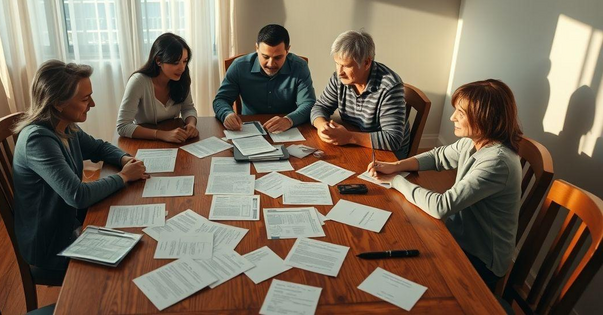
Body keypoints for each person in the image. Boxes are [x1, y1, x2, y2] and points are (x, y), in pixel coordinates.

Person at [368, 79, 523, 291]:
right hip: (457, 235)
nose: (452, 117)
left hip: (480, 259)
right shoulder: (475, 141)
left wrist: (395, 180)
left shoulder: (497, 162)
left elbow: (441, 207)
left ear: (484, 117)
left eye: (460, 112)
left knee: (405, 267)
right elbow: (438, 156)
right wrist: (395, 165)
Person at [13, 60, 149, 279]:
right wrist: (124, 177)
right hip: (51, 246)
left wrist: (124, 159)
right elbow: (77, 195)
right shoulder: (37, 141)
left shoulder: (64, 125)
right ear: (58, 102)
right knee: (136, 264)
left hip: (70, 224)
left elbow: (99, 147)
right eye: (85, 99)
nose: (92, 104)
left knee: (141, 237)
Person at [311, 30, 410, 159]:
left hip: (387, 156)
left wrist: (349, 137)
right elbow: (320, 107)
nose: (339, 72)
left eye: (346, 66)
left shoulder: (389, 87)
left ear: (367, 62)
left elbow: (393, 140)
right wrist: (321, 126)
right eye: (337, 63)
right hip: (356, 144)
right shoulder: (340, 78)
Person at [213, 24, 316, 133]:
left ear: (287, 50)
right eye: (265, 57)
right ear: (257, 48)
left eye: (278, 57)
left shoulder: (299, 67)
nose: (271, 64)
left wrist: (289, 120)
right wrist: (227, 114)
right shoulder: (239, 66)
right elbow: (221, 99)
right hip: (248, 130)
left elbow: (308, 103)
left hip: (287, 130)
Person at [117, 33, 199, 143]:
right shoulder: (138, 82)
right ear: (158, 60)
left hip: (174, 141)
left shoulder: (181, 79)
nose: (182, 68)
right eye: (175, 62)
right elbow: (123, 126)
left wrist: (191, 124)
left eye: (185, 61)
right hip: (145, 142)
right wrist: (162, 134)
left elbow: (188, 108)